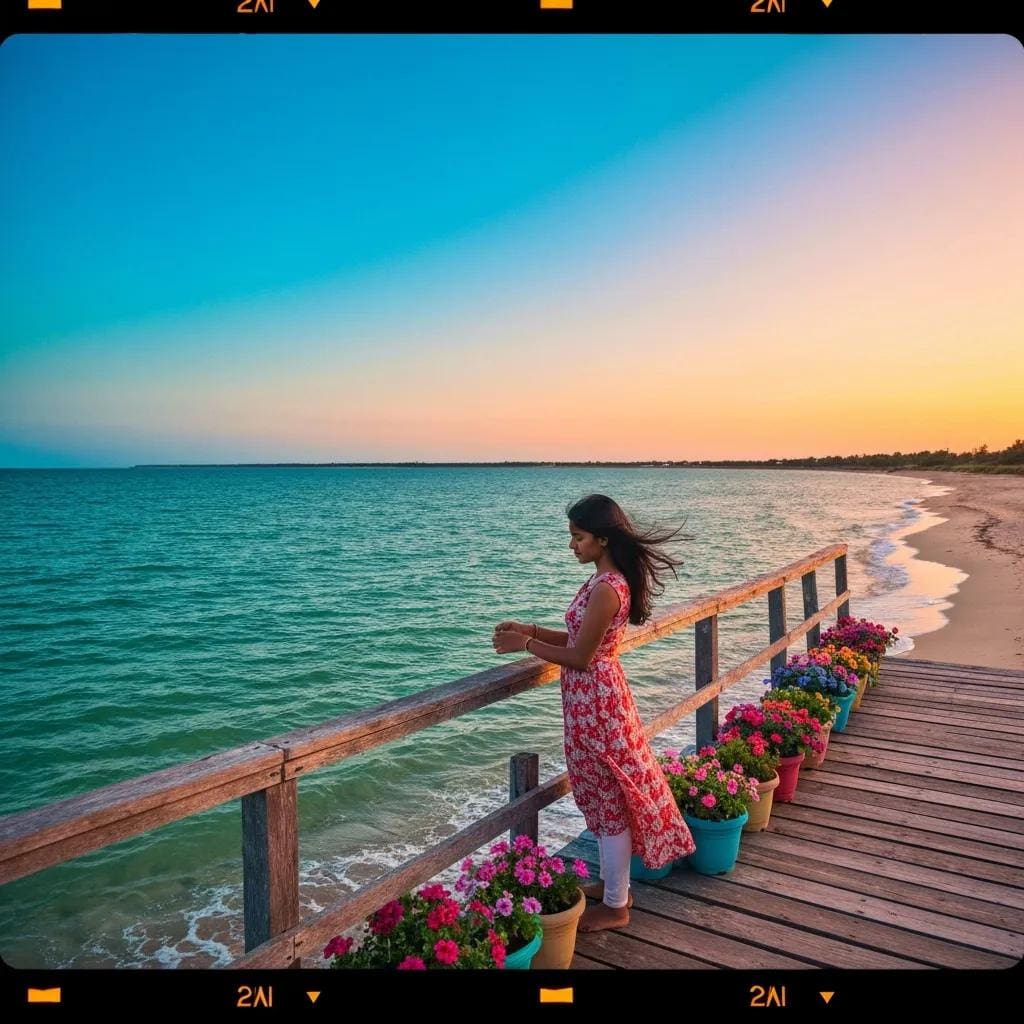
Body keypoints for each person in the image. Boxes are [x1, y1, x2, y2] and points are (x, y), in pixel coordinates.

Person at [492, 493, 696, 933]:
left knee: (609, 797)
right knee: (604, 794)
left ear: (601, 540)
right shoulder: (604, 581)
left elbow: (581, 655)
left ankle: (617, 904)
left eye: (578, 537)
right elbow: (576, 636)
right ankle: (612, 886)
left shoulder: (607, 588)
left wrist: (524, 646)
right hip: (593, 700)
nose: (572, 545)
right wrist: (529, 629)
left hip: (597, 703)